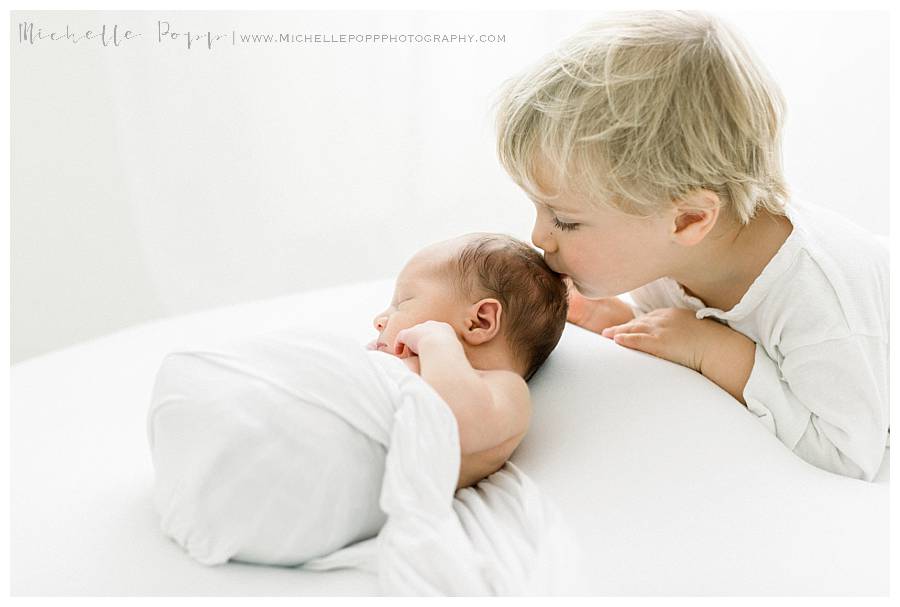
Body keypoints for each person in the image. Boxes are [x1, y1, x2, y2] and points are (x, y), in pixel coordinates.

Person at [494, 11, 889, 481]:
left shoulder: (819, 298)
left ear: (689, 219)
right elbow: (687, 326)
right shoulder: (675, 251)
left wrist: (717, 353)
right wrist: (632, 323)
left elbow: (850, 453)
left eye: (565, 220)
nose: (540, 237)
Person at [369, 232, 568, 488]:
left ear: (479, 321)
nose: (379, 320)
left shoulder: (504, 389)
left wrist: (438, 343)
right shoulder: (408, 359)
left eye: (403, 303)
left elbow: (455, 426)